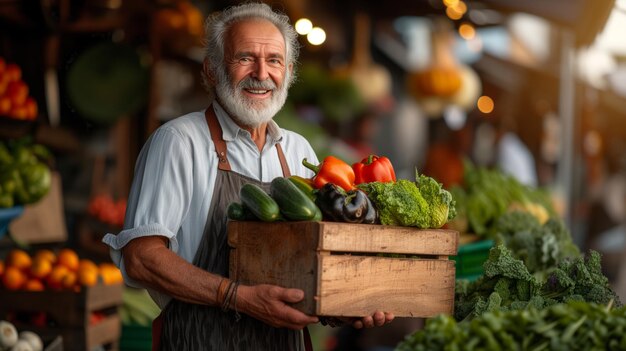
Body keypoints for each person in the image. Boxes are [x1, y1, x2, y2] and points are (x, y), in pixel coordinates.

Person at [102, 3, 394, 350]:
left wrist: (345, 307)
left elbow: (314, 270)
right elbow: (141, 258)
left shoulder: (298, 151)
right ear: (212, 70)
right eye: (245, 58)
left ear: (288, 71)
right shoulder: (179, 142)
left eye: (273, 60)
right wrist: (238, 297)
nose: (261, 73)